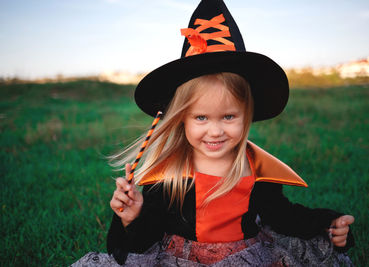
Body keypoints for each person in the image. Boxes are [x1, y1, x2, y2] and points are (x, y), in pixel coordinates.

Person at [105, 0, 355, 266]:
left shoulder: (257, 168)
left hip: (245, 257)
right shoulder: (169, 173)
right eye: (201, 117)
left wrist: (328, 223)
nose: (215, 131)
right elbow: (146, 237)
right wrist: (133, 216)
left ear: (247, 115)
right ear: (181, 119)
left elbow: (283, 216)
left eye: (229, 116)